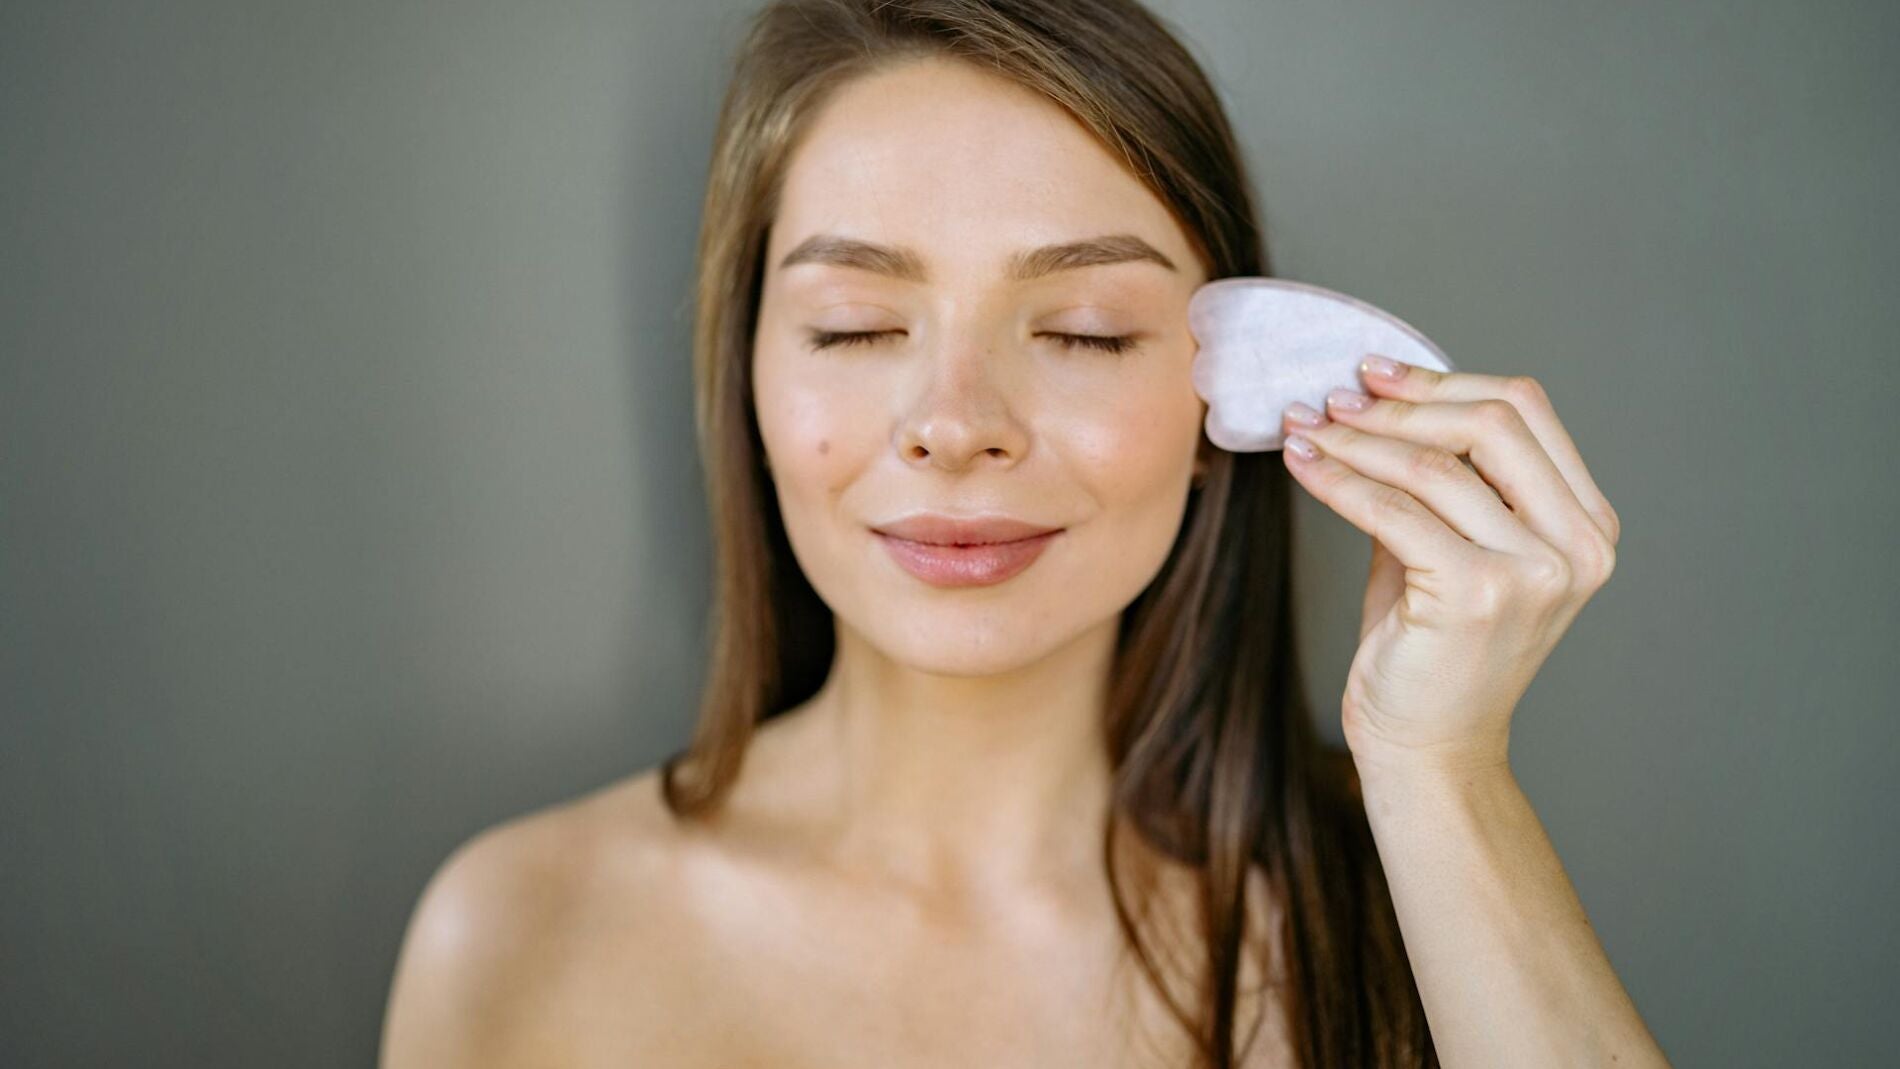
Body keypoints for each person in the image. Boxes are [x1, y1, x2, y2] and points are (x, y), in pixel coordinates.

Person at [380, 1, 1668, 1066]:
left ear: (1230, 399)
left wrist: (1441, 769)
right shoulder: (519, 935)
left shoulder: (1415, 929)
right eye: (854, 328)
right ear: (749, 383)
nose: (955, 426)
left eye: (1084, 334)